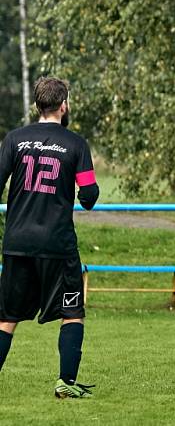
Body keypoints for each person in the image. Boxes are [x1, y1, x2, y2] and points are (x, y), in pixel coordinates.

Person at [0, 77, 100, 398]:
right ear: (64, 104)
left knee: (6, 317)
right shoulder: (75, 144)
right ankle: (66, 384)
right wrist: (85, 189)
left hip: (16, 242)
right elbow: (88, 195)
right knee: (72, 312)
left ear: (37, 105)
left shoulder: (14, 139)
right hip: (57, 244)